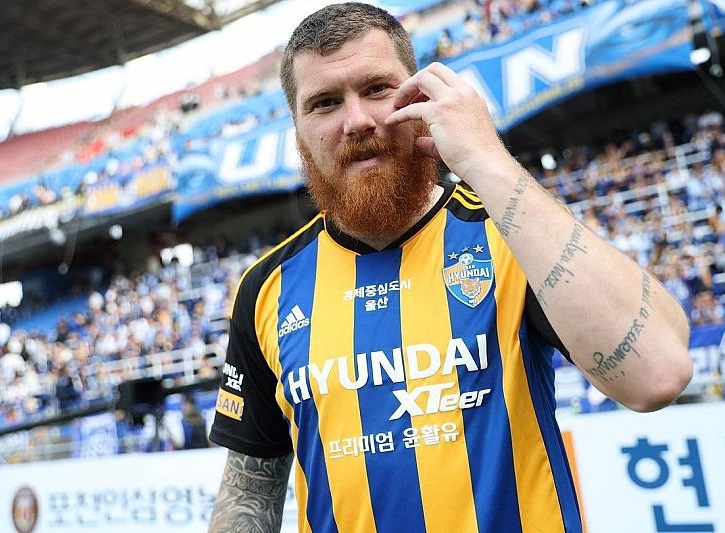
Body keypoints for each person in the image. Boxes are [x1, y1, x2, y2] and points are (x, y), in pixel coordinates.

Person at [207, 3, 693, 531]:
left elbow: (657, 374)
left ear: (420, 95)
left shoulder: (512, 233)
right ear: (299, 130)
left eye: (377, 89)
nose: (357, 120)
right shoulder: (267, 288)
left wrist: (486, 158)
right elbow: (248, 490)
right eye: (325, 103)